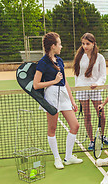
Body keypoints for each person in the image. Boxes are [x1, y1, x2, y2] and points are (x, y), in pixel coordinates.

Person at [33, 32, 83, 169]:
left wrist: (72, 100)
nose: (61, 46)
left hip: (64, 96)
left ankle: (68, 157)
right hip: (51, 96)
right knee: (52, 129)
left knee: (75, 125)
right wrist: (53, 81)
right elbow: (36, 85)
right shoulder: (42, 63)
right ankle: (57, 158)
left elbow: (65, 81)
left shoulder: (59, 61)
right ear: (53, 46)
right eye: (59, 44)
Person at [73, 32, 108, 150]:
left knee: (101, 115)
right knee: (87, 116)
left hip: (95, 89)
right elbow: (77, 74)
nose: (85, 46)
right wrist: (78, 87)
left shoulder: (100, 58)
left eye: (88, 44)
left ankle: (102, 136)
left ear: (93, 44)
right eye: (83, 44)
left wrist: (98, 84)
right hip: (82, 90)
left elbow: (102, 75)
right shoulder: (79, 56)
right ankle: (91, 141)